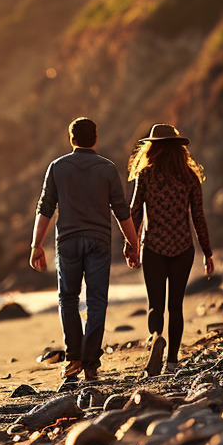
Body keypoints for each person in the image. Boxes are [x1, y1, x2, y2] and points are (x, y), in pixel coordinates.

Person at [30, 117, 141, 384]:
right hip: (98, 242)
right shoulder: (107, 168)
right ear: (96, 139)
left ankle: (74, 358)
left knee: (68, 299)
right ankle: (91, 364)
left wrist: (36, 245)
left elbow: (45, 207)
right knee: (96, 302)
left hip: (67, 242)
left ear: (72, 140)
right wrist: (133, 243)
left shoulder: (57, 167)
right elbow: (121, 210)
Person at [126, 123, 214, 376]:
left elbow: (134, 212)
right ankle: (173, 360)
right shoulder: (190, 177)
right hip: (182, 248)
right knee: (175, 306)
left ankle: (156, 337)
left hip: (152, 247)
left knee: (155, 304)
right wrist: (207, 252)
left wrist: (130, 245)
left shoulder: (146, 175)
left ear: (152, 148)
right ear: (179, 149)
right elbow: (199, 218)